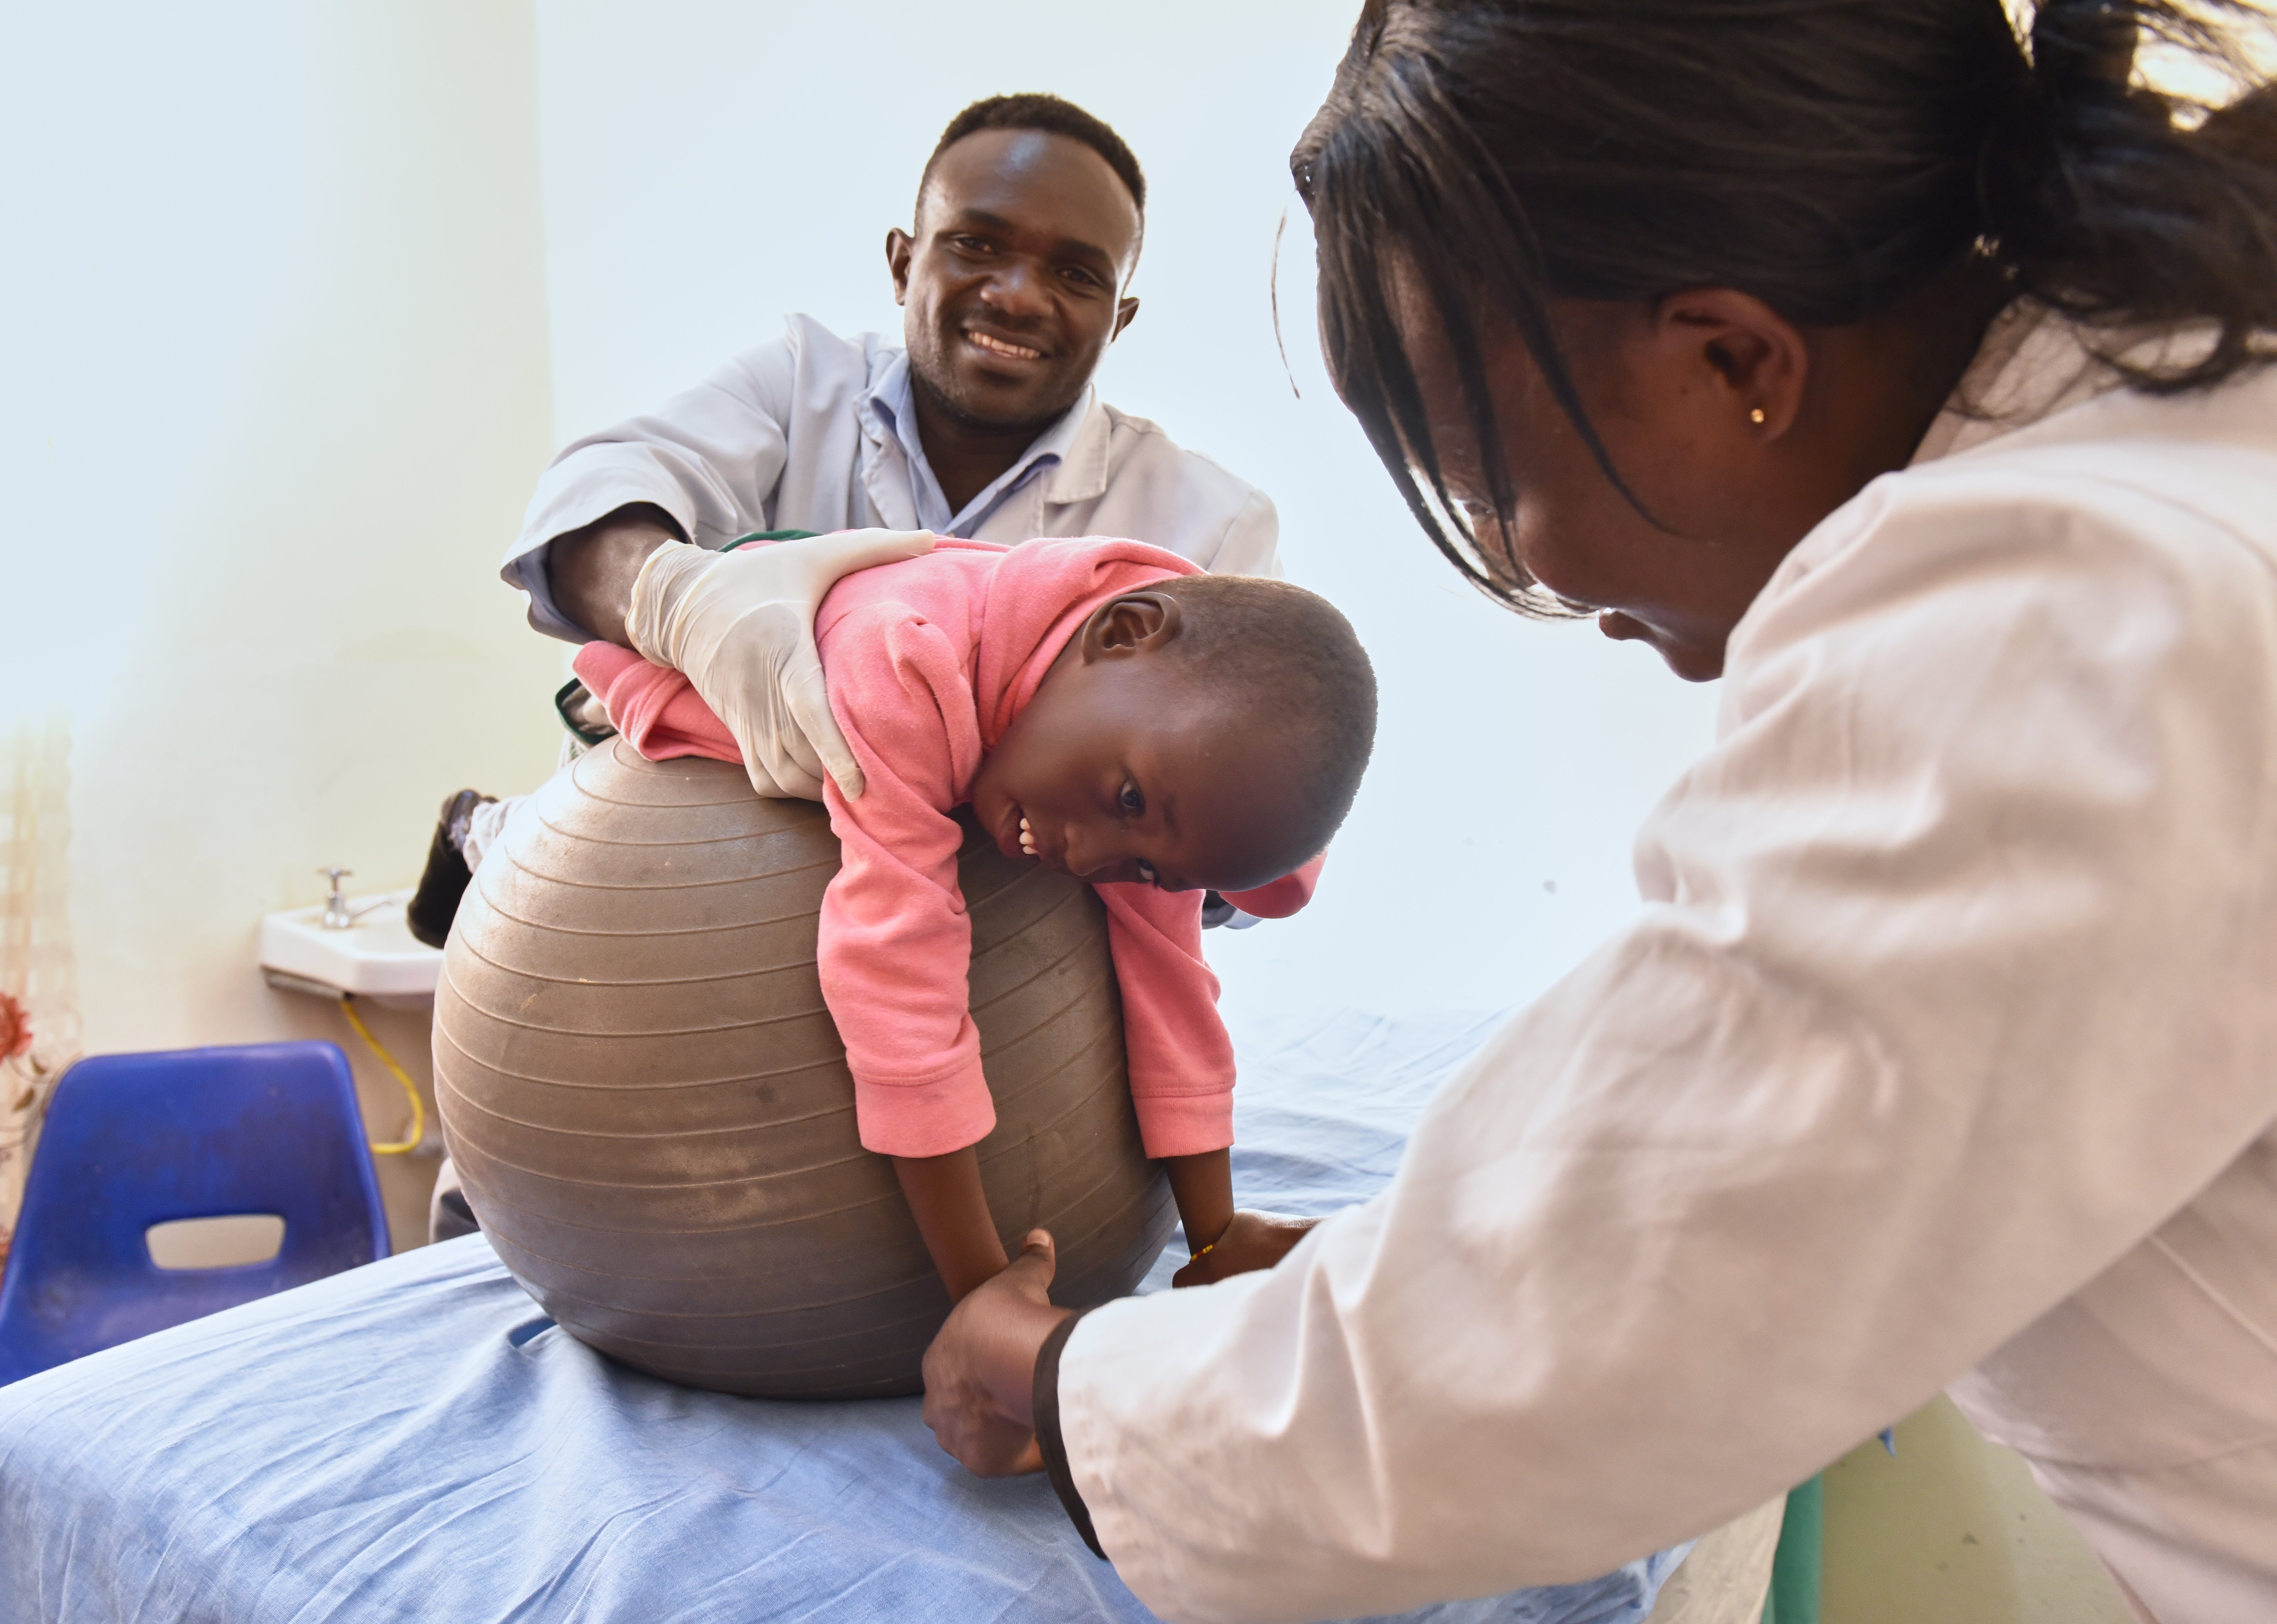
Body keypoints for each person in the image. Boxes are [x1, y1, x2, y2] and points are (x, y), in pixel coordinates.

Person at [630, 2, 2277, 1619]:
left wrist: (1065, 1373)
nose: (1529, 564)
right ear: (899, 257)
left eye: (1488, 482)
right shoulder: (2151, 488)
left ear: (1729, 360)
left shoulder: (2047, 618)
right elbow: (1740, 1048)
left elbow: (1607, 1291)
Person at [406, 91, 1280, 949]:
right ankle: (494, 839)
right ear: (903, 263)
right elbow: (592, 498)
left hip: (1000, 947)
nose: (1017, 296)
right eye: (976, 244)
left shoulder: (1206, 527)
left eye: (1076, 274)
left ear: (1118, 318)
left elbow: (1240, 845)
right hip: (681, 892)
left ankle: (493, 834)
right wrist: (675, 598)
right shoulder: (799, 386)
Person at [565, 535, 1372, 1300]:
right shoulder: (903, 664)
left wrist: (1212, 1238)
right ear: (1121, 633)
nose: (1087, 859)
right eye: (1125, 799)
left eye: (1145, 866)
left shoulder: (1159, 749)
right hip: (692, 699)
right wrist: (982, 1294)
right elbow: (896, 982)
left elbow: (1172, 980)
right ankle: (483, 831)